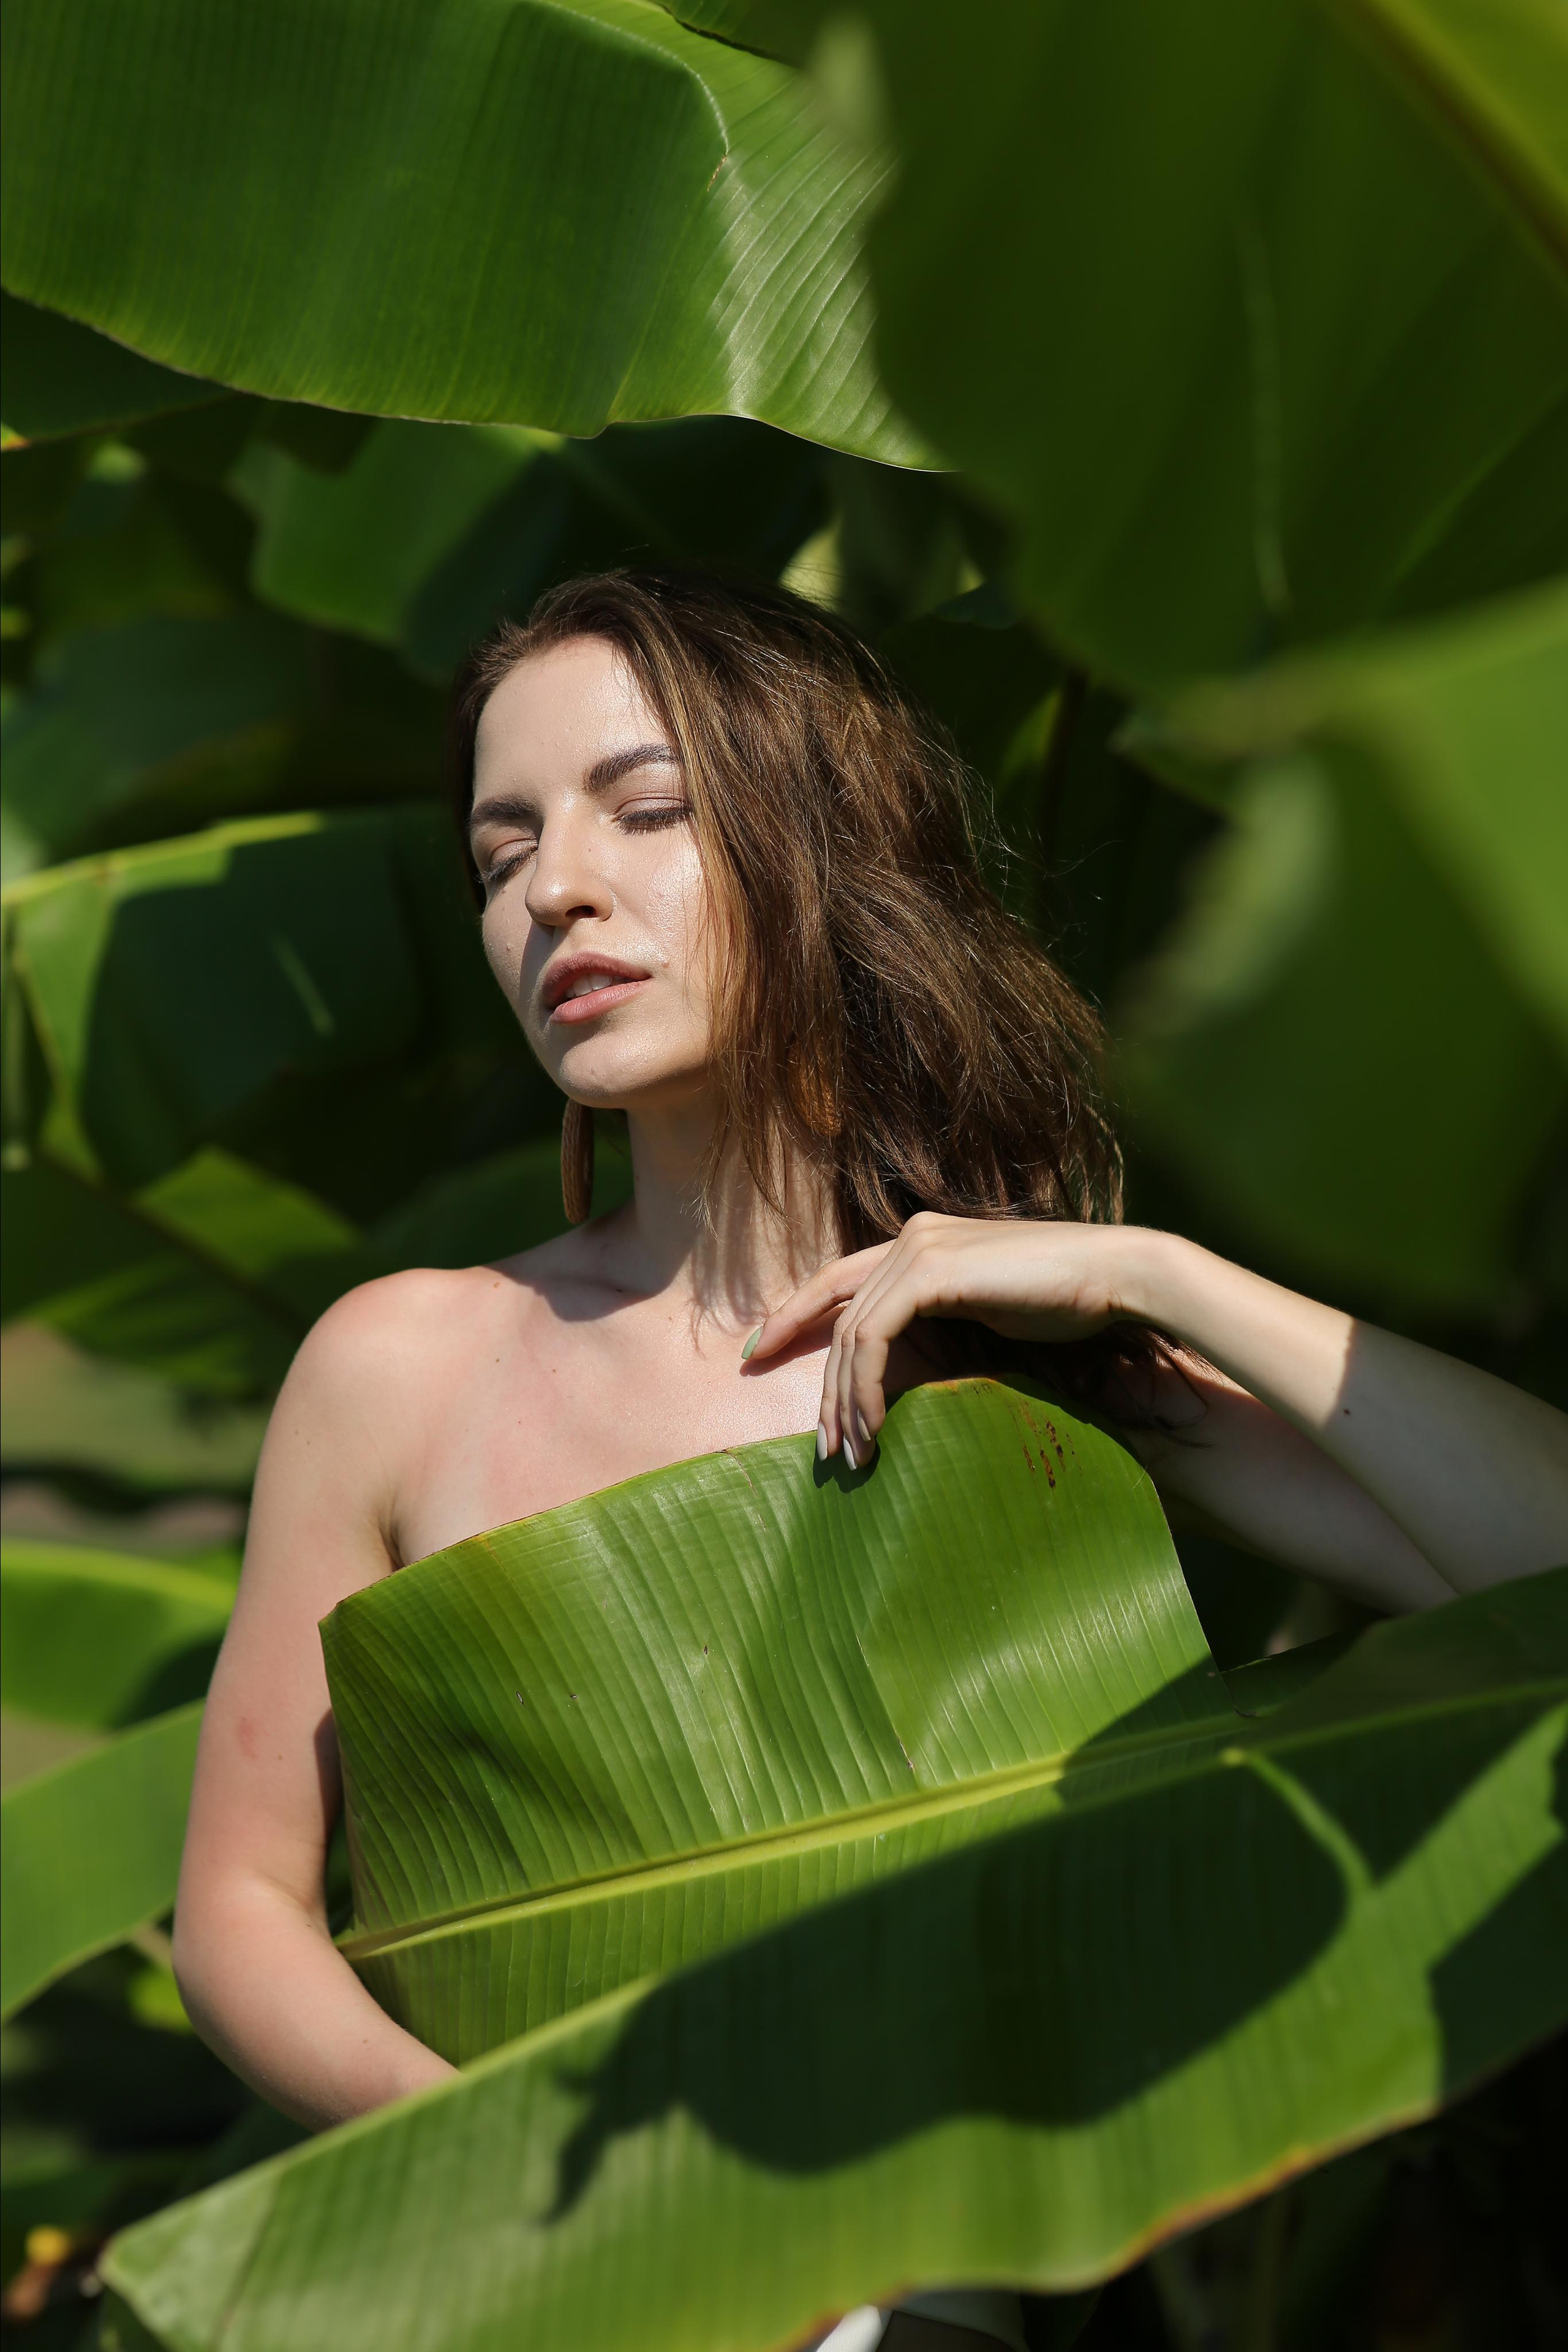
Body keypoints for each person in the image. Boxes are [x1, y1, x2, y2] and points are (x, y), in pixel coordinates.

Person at [172, 569, 1568, 2352]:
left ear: (817, 836)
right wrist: (541, 2193)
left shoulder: (1026, 1376)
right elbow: (239, 1908)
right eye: (499, 854)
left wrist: (1153, 1278)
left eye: (646, 808)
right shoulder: (406, 1364)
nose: (557, 891)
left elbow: (1553, 1580)